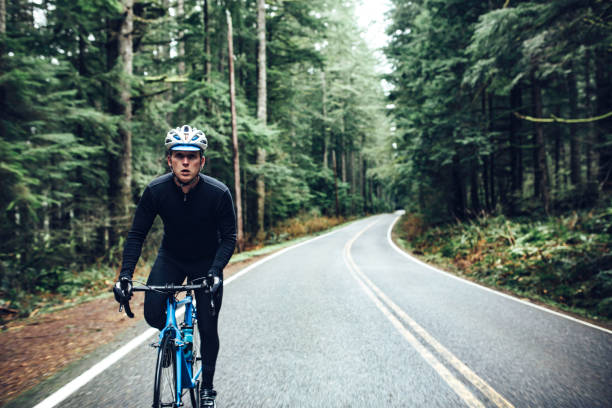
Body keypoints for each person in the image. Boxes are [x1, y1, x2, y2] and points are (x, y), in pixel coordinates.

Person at [113, 124, 237, 407]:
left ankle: (207, 387)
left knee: (207, 327)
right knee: (154, 315)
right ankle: (173, 335)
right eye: (179, 155)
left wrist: (216, 271)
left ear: (201, 161)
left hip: (206, 263)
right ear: (169, 159)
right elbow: (136, 235)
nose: (185, 161)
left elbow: (229, 237)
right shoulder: (156, 191)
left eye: (192, 156)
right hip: (172, 256)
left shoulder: (218, 193)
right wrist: (125, 276)